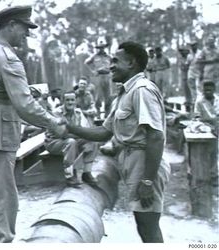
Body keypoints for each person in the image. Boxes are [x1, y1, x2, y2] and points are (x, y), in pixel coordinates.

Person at [0, 5, 66, 243]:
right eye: (25, 29)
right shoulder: (8, 59)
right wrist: (53, 122)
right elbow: (24, 105)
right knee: (2, 199)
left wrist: (26, 91)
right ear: (13, 25)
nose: (26, 35)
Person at [67, 41, 170, 243]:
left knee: (148, 227)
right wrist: (69, 128)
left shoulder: (142, 90)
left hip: (145, 164)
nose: (110, 66)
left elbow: (156, 137)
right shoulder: (124, 93)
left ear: (131, 63)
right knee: (143, 225)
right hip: (134, 162)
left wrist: (147, 181)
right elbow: (104, 132)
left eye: (115, 61)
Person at [44, 91, 97, 187]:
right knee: (71, 142)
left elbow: (86, 129)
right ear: (63, 101)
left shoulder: (78, 113)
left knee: (92, 140)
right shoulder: (56, 113)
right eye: (67, 100)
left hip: (70, 139)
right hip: (53, 142)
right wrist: (80, 133)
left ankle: (86, 173)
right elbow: (62, 134)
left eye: (72, 100)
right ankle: (69, 176)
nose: (70, 103)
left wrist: (87, 134)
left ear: (76, 101)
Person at [85, 37, 113, 118]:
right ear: (98, 48)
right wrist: (93, 71)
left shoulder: (109, 57)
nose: (101, 49)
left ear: (105, 48)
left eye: (103, 47)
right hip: (99, 77)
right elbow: (86, 63)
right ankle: (97, 115)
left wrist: (111, 72)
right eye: (100, 48)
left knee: (108, 97)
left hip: (107, 76)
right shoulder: (94, 56)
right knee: (98, 97)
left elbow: (114, 63)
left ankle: (107, 115)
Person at [187, 39, 201, 108]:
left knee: (198, 87)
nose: (193, 47)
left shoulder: (200, 53)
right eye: (191, 46)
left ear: (197, 45)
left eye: (194, 45)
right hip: (191, 72)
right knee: (192, 88)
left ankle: (199, 102)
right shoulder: (189, 55)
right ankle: (194, 101)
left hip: (198, 72)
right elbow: (187, 64)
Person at [178, 46, 191, 112]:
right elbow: (183, 67)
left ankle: (191, 101)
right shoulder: (181, 59)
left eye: (183, 51)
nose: (182, 53)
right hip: (185, 75)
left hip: (192, 75)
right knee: (186, 89)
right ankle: (188, 101)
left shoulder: (190, 57)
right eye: (181, 52)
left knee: (191, 89)